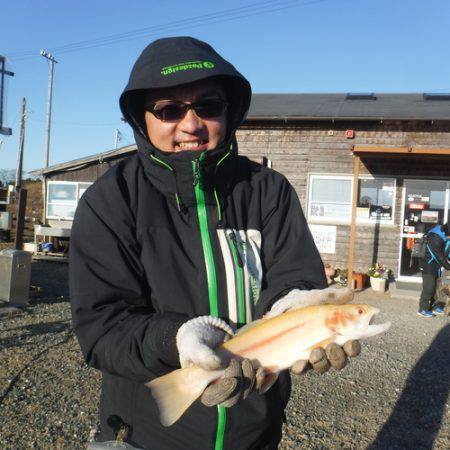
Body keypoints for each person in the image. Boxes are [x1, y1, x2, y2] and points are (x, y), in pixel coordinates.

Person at [70, 37, 360, 450]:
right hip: (144, 434)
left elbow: (294, 278)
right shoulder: (109, 201)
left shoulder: (268, 191)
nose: (191, 125)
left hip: (254, 433)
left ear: (230, 111)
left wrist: (296, 308)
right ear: (141, 118)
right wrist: (177, 339)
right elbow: (101, 329)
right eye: (169, 110)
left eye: (207, 106)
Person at [418, 222, 450, 317]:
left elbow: (447, 249)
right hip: (428, 263)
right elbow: (438, 256)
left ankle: (435, 306)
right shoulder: (434, 237)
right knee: (429, 287)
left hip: (436, 264)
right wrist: (448, 266)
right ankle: (423, 309)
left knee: (437, 286)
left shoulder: (445, 234)